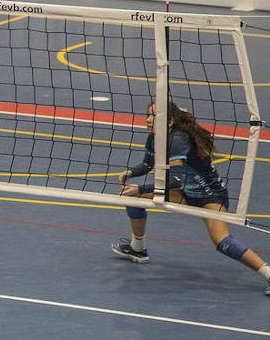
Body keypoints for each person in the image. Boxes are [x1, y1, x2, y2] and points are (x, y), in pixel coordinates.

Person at [111, 102, 270, 297]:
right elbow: (147, 163)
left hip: (210, 196)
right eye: (148, 115)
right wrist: (131, 172)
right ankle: (137, 249)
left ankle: (268, 273)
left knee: (222, 242)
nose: (148, 119)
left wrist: (140, 187)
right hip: (185, 193)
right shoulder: (155, 138)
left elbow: (175, 181)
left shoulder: (178, 140)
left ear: (169, 122)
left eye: (154, 116)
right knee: (133, 199)